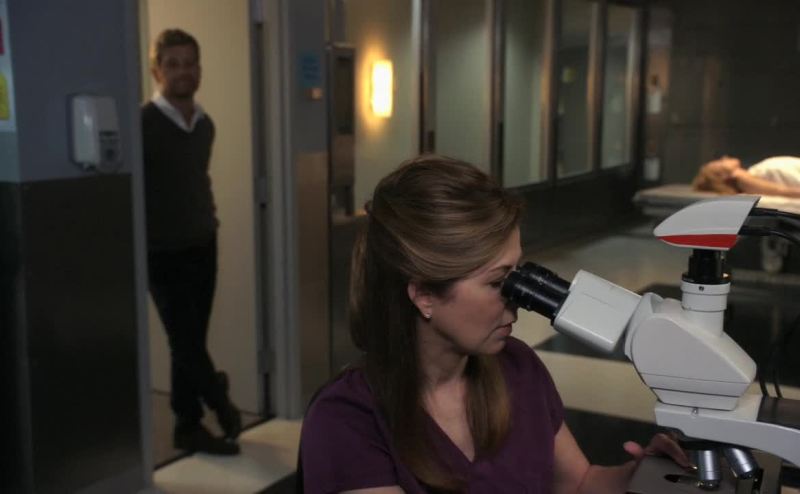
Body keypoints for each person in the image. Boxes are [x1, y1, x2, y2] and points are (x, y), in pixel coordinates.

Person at [299, 155, 689, 492]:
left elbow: (578, 483)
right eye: (497, 282)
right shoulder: (347, 418)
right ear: (424, 295)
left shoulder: (518, 368)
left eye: (518, 274)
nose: (518, 299)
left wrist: (636, 476)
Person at [142, 28, 241, 455]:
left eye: (190, 63)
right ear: (157, 71)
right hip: (160, 251)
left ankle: (187, 425)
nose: (183, 71)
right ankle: (220, 402)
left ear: (199, 69)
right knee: (184, 340)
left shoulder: (205, 125)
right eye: (173, 64)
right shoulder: (143, 123)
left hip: (203, 242)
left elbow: (194, 182)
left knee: (191, 340)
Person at [692, 155, 800, 197]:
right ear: (723, 176)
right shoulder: (741, 178)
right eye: (720, 162)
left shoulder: (753, 173)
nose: (724, 157)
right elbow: (783, 191)